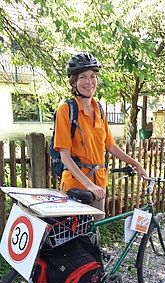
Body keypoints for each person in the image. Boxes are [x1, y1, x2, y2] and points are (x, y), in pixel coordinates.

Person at [54, 52, 147, 216]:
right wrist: (89, 185)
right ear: (74, 81)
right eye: (83, 77)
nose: (89, 82)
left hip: (99, 186)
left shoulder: (99, 110)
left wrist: (136, 164)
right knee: (74, 239)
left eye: (92, 76)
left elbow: (110, 146)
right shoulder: (66, 110)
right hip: (76, 187)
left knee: (94, 234)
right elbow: (65, 157)